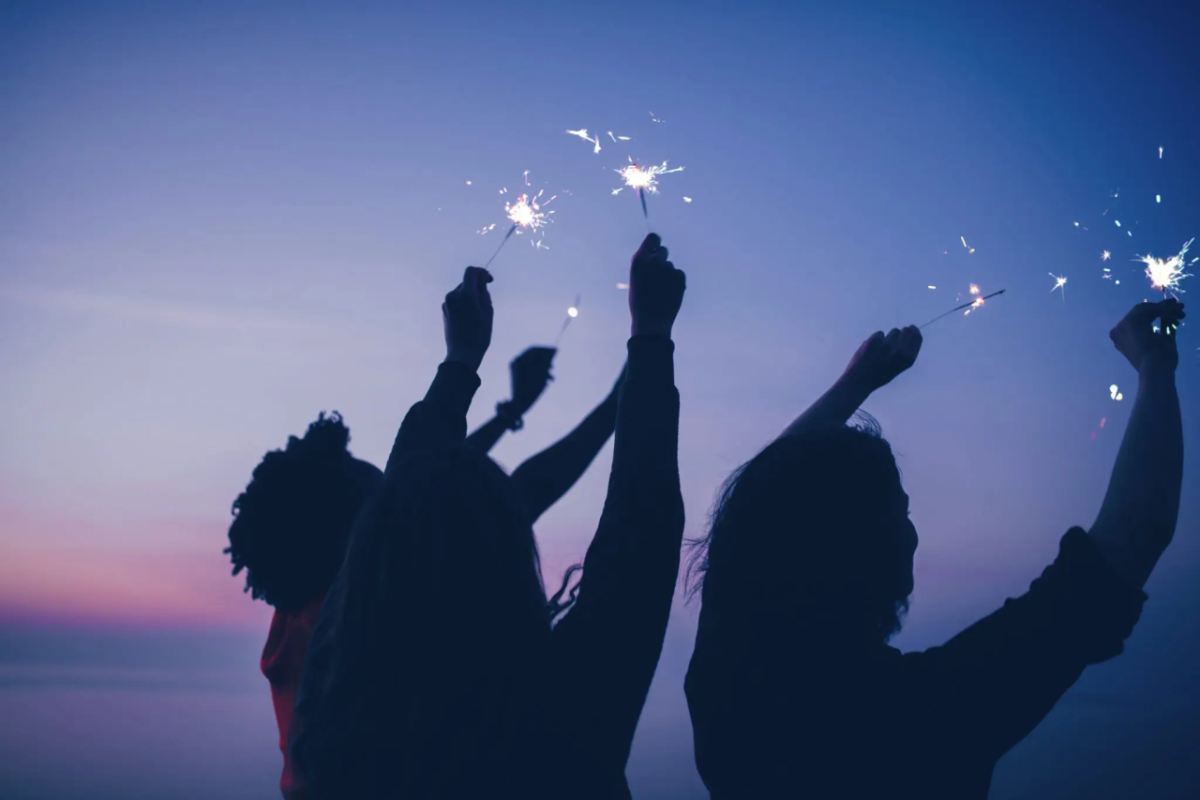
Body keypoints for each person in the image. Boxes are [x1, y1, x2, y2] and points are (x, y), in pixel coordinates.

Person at [684, 299, 1186, 799]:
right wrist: (1155, 366)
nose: (914, 532)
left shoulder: (728, 687)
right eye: (901, 513)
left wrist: (857, 383)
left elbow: (756, 511)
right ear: (863, 557)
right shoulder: (924, 715)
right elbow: (1133, 532)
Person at [290, 233, 686, 799]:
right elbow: (640, 535)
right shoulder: (560, 724)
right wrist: (649, 344)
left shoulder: (330, 711)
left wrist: (462, 366)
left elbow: (406, 506)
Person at [226, 348, 623, 800]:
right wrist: (618, 403)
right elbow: (503, 494)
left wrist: (511, 411)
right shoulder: (356, 618)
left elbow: (434, 483)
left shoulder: (306, 614)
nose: (393, 492)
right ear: (351, 527)